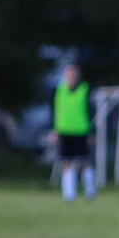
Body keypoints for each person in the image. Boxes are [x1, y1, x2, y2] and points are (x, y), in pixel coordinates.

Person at [50, 60, 94, 203]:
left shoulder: (85, 90)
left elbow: (90, 111)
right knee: (66, 162)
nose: (72, 76)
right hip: (64, 130)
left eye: (74, 74)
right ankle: (69, 193)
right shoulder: (59, 90)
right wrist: (54, 129)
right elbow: (55, 110)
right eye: (69, 74)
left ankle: (90, 190)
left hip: (81, 130)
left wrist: (91, 131)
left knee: (85, 161)